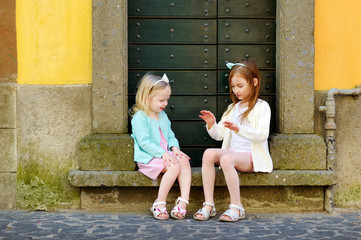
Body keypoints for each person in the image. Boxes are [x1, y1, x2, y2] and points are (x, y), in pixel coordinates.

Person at [193, 59, 273, 222]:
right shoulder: (232, 109)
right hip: (233, 153)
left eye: (240, 86)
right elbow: (220, 135)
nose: (236, 90)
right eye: (233, 86)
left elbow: (262, 135)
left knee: (226, 159)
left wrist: (239, 129)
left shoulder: (262, 107)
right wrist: (211, 124)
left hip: (250, 157)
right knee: (208, 154)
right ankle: (209, 204)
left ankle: (237, 207)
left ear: (254, 82)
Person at [129, 73, 191, 220]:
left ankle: (183, 201)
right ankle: (159, 203)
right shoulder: (140, 117)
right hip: (149, 157)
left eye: (167, 100)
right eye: (161, 100)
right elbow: (143, 142)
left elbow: (170, 136)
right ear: (146, 97)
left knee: (184, 160)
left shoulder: (163, 116)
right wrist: (163, 154)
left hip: (165, 155)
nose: (165, 103)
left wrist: (175, 148)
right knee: (175, 166)